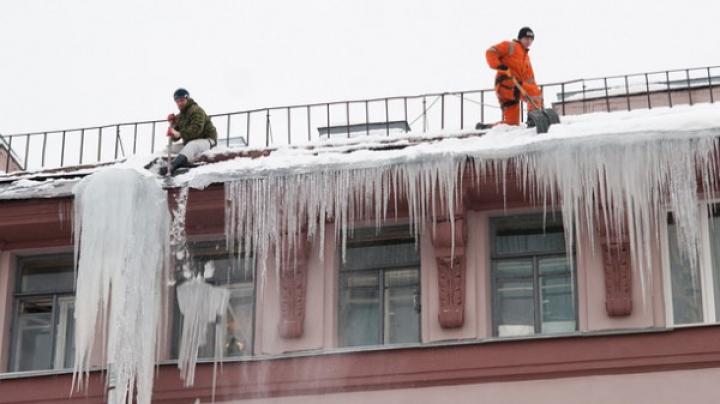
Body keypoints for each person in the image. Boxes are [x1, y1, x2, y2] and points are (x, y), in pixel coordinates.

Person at [486, 27, 544, 126]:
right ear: (520, 38)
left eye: (531, 39)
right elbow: (491, 51)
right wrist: (498, 65)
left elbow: (530, 80)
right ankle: (533, 121)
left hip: (513, 89)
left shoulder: (526, 58)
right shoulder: (510, 46)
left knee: (511, 124)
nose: (529, 41)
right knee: (534, 92)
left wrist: (539, 99)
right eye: (526, 38)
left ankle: (487, 127)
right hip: (505, 83)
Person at [160, 88, 218, 175]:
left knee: (191, 146)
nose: (179, 103)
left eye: (181, 100)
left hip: (207, 140)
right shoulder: (180, 116)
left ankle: (172, 167)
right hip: (189, 141)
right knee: (168, 149)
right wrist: (173, 127)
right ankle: (158, 167)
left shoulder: (196, 110)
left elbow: (196, 131)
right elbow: (176, 138)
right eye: (177, 101)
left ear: (187, 99)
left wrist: (179, 133)